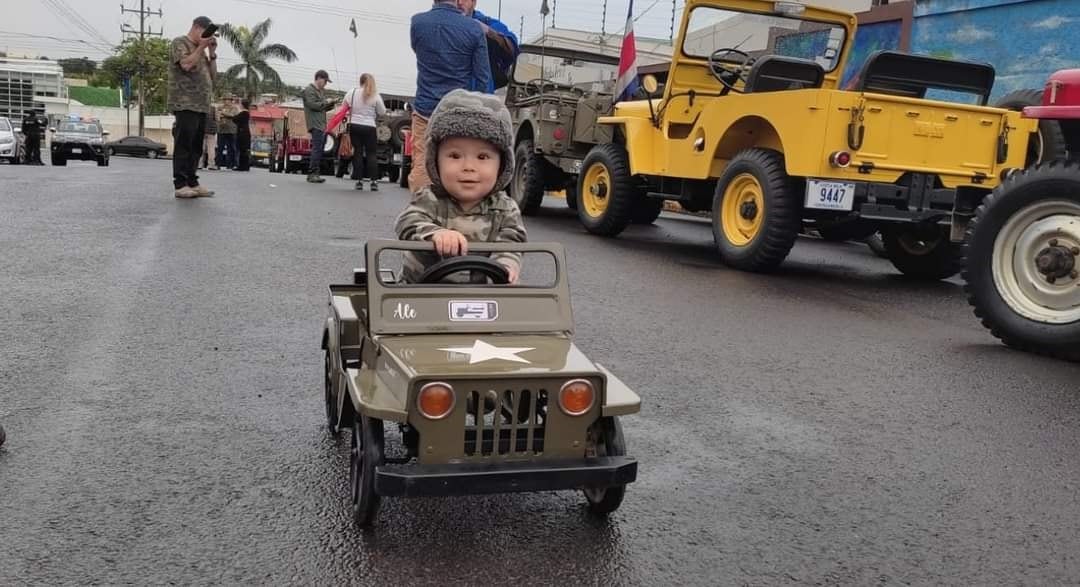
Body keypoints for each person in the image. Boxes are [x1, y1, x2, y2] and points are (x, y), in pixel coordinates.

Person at [395, 89, 526, 284]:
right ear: (435, 160)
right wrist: (435, 233)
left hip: (483, 297)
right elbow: (407, 222)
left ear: (502, 164)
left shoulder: (505, 208)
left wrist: (506, 264)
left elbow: (512, 240)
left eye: (482, 157)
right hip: (421, 293)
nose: (468, 167)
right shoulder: (428, 198)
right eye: (455, 156)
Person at [408, 0, 490, 193]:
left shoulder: (418, 22)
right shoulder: (473, 29)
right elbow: (482, 78)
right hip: (456, 111)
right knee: (456, 166)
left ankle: (421, 208)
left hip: (424, 110)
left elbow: (417, 50)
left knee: (422, 164)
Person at [168, 15, 217, 198]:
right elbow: (186, 65)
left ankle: (192, 181)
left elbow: (213, 77)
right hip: (185, 102)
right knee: (184, 144)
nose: (208, 37)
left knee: (196, 147)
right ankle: (180, 185)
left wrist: (211, 53)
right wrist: (202, 47)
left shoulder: (202, 50)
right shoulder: (180, 43)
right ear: (196, 27)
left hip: (202, 105)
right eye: (206, 32)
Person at [458, 0, 519, 92]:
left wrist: (490, 33)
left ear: (474, 3)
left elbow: (512, 50)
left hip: (480, 94)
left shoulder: (488, 24)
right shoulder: (438, 24)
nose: (459, 3)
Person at [340, 73, 386, 191]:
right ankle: (374, 182)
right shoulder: (375, 95)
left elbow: (343, 107)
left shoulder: (352, 92)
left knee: (358, 152)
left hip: (354, 125)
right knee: (371, 154)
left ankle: (359, 181)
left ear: (360, 81)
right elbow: (382, 112)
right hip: (369, 127)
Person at [301, 70, 338, 183]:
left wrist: (331, 103)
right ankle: (312, 174)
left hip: (321, 125)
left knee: (320, 149)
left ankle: (315, 173)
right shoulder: (309, 90)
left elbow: (322, 108)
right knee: (317, 149)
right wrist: (326, 102)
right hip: (315, 124)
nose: (325, 84)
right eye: (325, 81)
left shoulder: (320, 91)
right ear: (318, 78)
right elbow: (313, 105)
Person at [216, 98, 238, 169]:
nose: (226, 101)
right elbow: (217, 116)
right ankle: (218, 164)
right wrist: (223, 115)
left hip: (231, 130)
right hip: (221, 130)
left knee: (231, 148)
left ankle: (231, 164)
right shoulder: (220, 107)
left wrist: (223, 114)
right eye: (225, 100)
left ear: (231, 101)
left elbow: (233, 115)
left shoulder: (234, 108)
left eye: (228, 100)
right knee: (220, 147)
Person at [234, 99, 252, 171]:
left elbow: (235, 119)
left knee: (243, 150)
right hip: (245, 132)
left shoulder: (244, 113)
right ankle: (245, 165)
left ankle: (242, 166)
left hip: (242, 133)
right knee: (244, 150)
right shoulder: (247, 113)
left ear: (242, 105)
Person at [202, 103, 218, 170]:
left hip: (202, 129)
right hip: (211, 130)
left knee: (201, 147)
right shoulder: (213, 108)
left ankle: (199, 164)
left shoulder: (201, 107)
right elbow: (216, 118)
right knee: (211, 148)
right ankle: (211, 164)